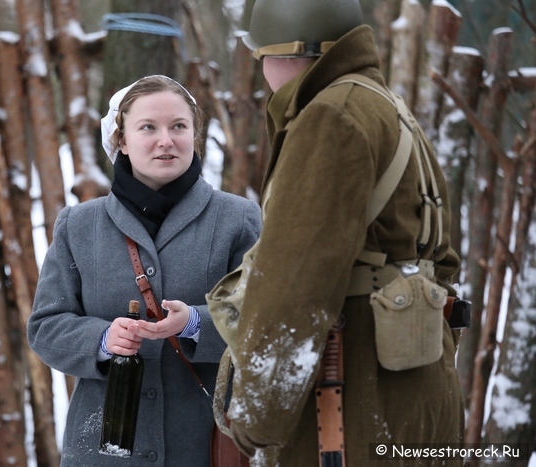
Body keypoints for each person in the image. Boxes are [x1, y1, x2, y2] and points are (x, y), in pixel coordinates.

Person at [207, 0, 464, 465]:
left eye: (261, 53)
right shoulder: (386, 107)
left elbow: (294, 284)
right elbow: (441, 263)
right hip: (419, 393)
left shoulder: (331, 116)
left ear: (286, 52)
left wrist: (255, 416)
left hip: (354, 402)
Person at [27, 75, 262, 466]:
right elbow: (45, 327)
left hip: (205, 446)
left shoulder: (237, 219)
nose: (165, 140)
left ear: (194, 135)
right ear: (121, 140)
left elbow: (262, 322)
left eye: (179, 127)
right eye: (148, 127)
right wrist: (103, 340)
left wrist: (194, 323)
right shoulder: (79, 226)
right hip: (103, 454)